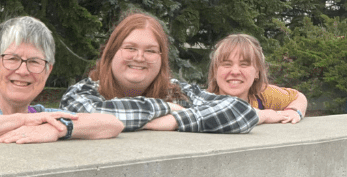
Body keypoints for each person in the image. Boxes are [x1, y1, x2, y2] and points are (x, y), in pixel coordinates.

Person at [0, 16, 124, 144]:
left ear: (48, 70)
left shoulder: (42, 116)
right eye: (13, 59)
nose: (22, 70)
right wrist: (24, 120)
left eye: (34, 61)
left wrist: (58, 130)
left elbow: (111, 124)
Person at [59, 13, 258, 133]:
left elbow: (241, 110)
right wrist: (167, 107)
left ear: (161, 59)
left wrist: (174, 120)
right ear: (111, 54)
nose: (139, 57)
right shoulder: (82, 92)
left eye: (150, 51)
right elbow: (92, 115)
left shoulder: (175, 90)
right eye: (130, 48)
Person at [208, 33, 308, 124]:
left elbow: (298, 97)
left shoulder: (262, 95)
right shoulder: (201, 101)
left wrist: (293, 111)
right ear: (215, 71)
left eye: (244, 65)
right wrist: (264, 115)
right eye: (227, 64)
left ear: (257, 72)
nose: (235, 72)